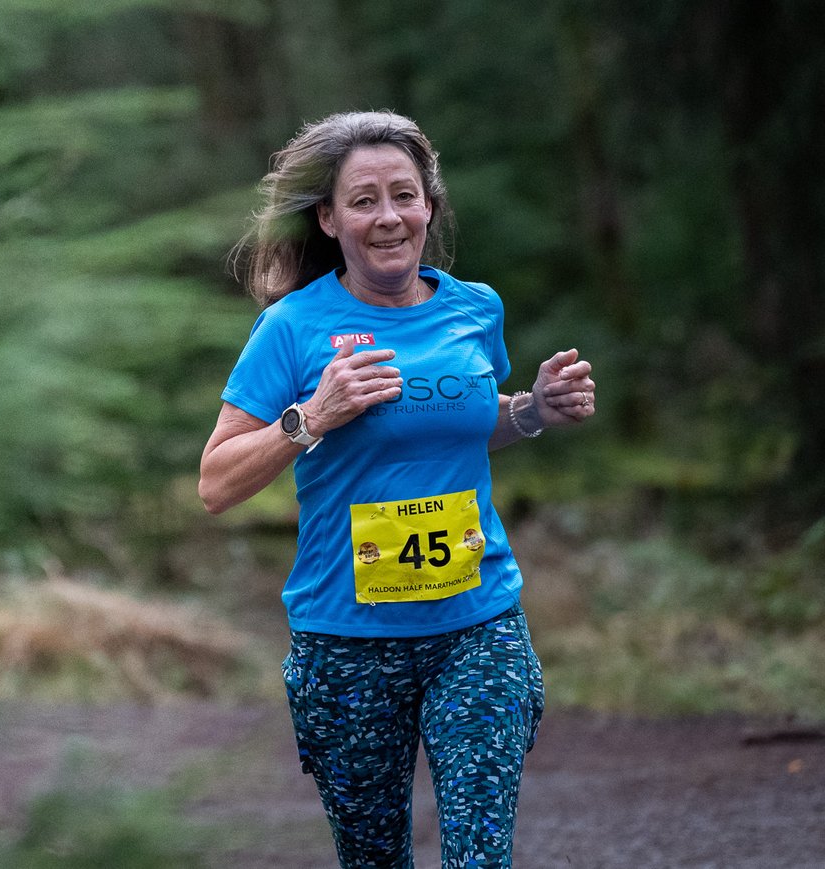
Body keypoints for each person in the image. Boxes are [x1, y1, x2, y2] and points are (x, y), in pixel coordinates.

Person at [199, 111, 596, 868]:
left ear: (430, 207)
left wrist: (533, 410)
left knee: (480, 855)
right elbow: (216, 482)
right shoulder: (292, 327)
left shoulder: (475, 308)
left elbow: (462, 425)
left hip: (477, 626)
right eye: (364, 200)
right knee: (374, 857)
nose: (388, 217)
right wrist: (312, 416)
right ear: (329, 218)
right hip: (347, 640)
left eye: (404, 195)